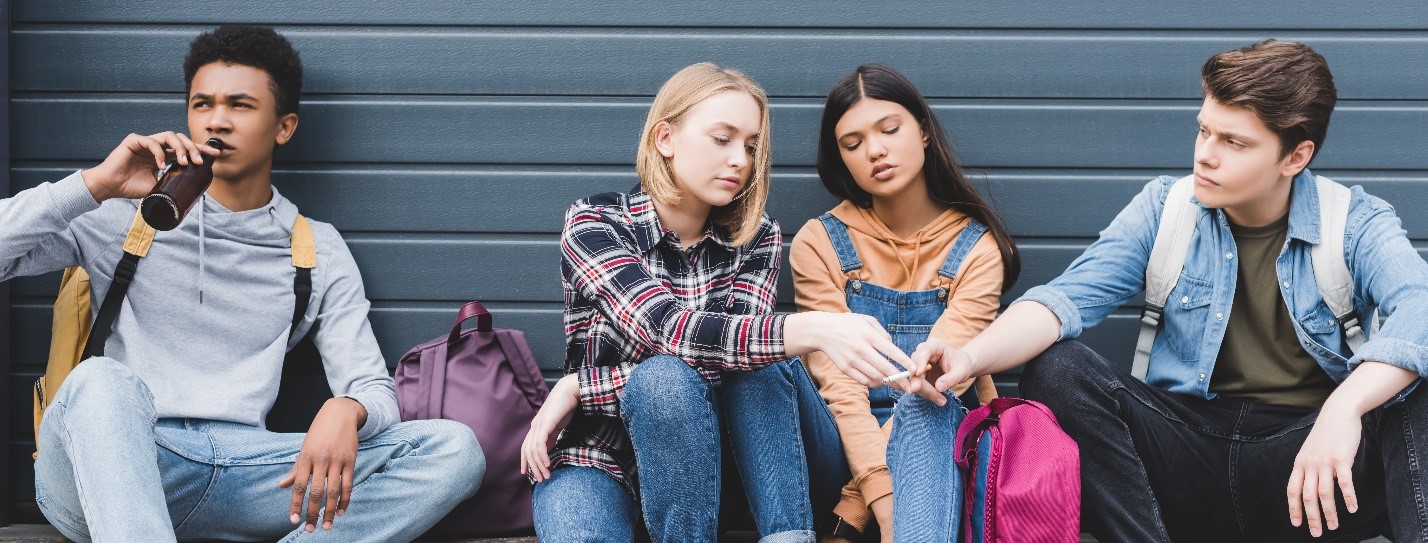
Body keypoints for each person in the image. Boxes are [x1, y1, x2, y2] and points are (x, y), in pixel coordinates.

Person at [909, 40, 1428, 541]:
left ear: (1295, 157)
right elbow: (1063, 300)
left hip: (1306, 470)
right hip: (1181, 462)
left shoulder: (1353, 221)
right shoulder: (1166, 209)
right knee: (1057, 367)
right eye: (1204, 131)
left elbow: (1421, 307)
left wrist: (1344, 407)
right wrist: (970, 357)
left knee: (1415, 388)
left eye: (1234, 142)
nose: (1205, 155)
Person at [8, 25, 483, 543]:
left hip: (244, 473)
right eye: (202, 104)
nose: (217, 120)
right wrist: (96, 184)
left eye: (240, 105)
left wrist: (349, 408)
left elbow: (372, 386)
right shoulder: (123, 217)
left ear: (284, 127)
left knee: (453, 450)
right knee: (99, 380)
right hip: (115, 464)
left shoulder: (315, 247)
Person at [521, 62, 933, 543]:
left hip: (721, 462)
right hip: (600, 454)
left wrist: (580, 387)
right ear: (665, 138)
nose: (740, 159)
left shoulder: (756, 237)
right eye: (722, 139)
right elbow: (666, 329)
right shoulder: (596, 223)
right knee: (667, 380)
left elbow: (736, 364)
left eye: (751, 146)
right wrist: (811, 329)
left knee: (737, 363)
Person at [793, 64, 1018, 542]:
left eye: (889, 129)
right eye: (852, 143)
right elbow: (840, 389)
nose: (875, 150)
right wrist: (879, 490)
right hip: (839, 440)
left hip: (938, 439)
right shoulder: (818, 242)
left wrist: (857, 507)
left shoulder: (977, 249)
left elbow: (941, 383)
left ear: (924, 131)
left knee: (930, 398)